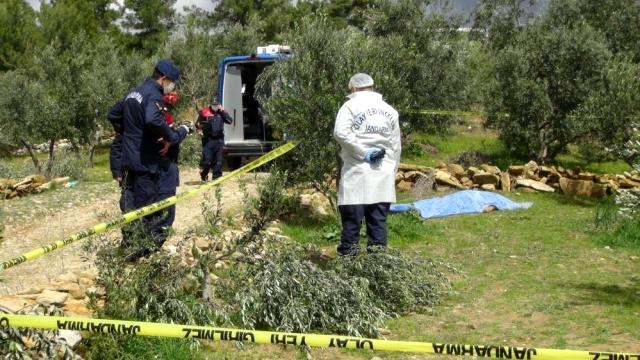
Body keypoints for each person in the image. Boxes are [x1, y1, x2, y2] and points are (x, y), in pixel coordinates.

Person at [108, 59, 190, 260]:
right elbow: (153, 119)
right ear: (163, 79)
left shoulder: (134, 92)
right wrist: (169, 138)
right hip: (145, 162)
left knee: (130, 206)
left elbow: (113, 115)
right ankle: (142, 255)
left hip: (128, 161)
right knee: (147, 209)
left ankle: (128, 250)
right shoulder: (153, 94)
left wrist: (132, 133)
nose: (172, 87)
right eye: (171, 82)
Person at [332, 73, 401, 256]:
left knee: (351, 227)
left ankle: (350, 270)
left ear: (353, 88)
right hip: (382, 175)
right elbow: (395, 147)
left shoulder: (349, 106)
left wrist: (363, 152)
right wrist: (391, 173)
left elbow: (341, 133)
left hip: (356, 174)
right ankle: (378, 271)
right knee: (378, 225)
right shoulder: (390, 110)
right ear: (372, 86)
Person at [156, 91, 182, 236]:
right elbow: (169, 137)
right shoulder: (160, 114)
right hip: (165, 163)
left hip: (164, 161)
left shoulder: (159, 113)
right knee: (166, 196)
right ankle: (162, 230)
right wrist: (182, 131)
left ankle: (162, 228)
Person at [196, 102, 233, 181]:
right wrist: (200, 127)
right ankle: (204, 174)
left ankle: (216, 179)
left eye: (217, 106)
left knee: (218, 161)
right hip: (208, 139)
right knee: (207, 161)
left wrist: (222, 111)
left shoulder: (222, 112)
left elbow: (229, 121)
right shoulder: (204, 112)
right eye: (214, 106)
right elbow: (198, 124)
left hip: (219, 139)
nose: (216, 107)